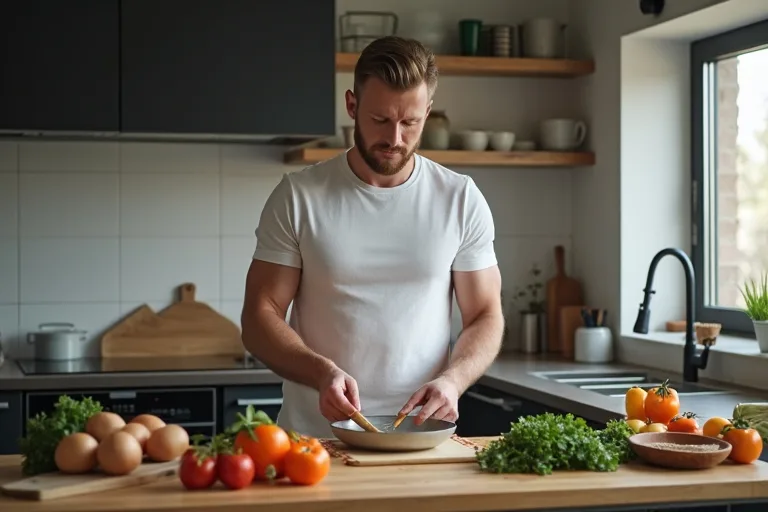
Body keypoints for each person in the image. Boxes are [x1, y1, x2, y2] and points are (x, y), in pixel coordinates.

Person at [241, 36, 505, 439]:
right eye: (380, 120)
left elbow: (485, 313)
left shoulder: (460, 199)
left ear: (428, 113)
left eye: (410, 122)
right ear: (352, 106)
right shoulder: (299, 196)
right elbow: (260, 314)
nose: (395, 139)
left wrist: (454, 380)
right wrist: (320, 372)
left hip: (423, 438)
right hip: (315, 442)